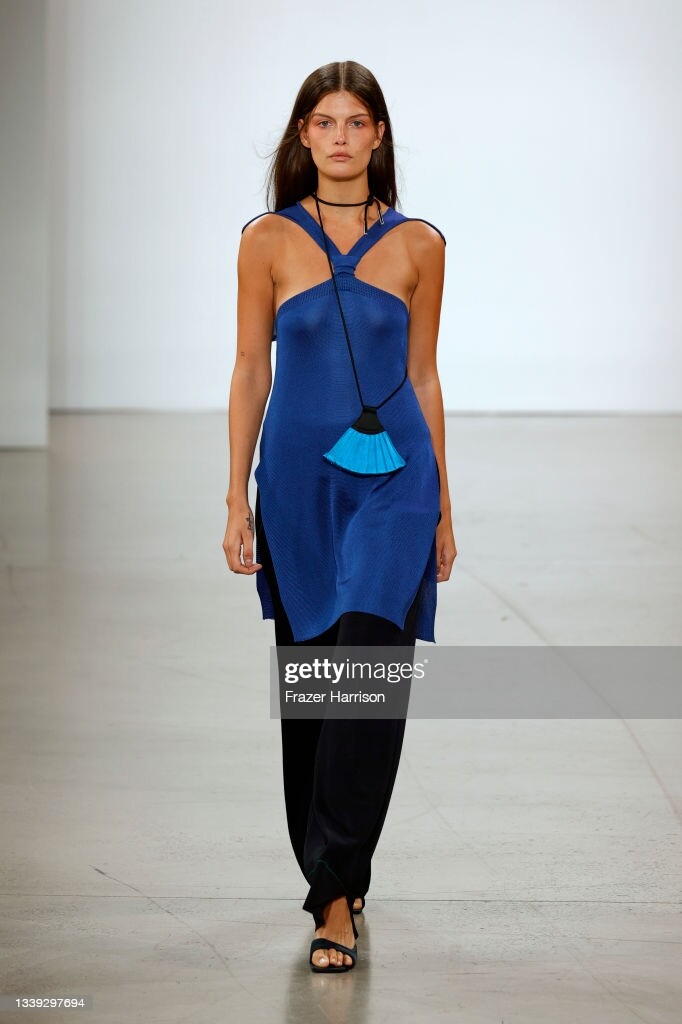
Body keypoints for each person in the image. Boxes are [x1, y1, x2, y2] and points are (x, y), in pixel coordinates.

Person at [222, 60, 457, 972]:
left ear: (379, 135)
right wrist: (234, 495)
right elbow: (252, 367)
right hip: (297, 482)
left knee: (370, 666)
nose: (342, 137)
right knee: (314, 680)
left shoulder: (421, 245)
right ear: (304, 136)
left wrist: (444, 505)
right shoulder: (267, 241)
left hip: (396, 480)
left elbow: (425, 376)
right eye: (325, 122)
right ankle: (332, 874)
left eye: (357, 122)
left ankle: (335, 894)